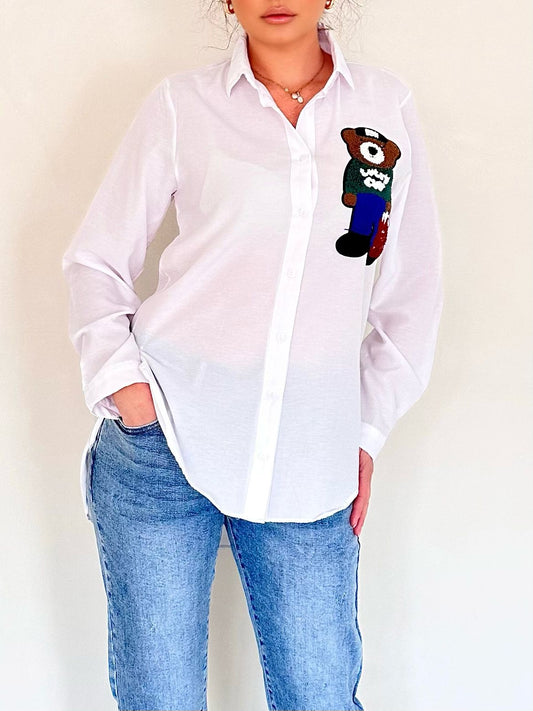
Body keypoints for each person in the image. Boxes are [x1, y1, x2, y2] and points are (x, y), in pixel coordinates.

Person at [61, 1, 443, 709]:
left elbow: (410, 294)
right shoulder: (181, 106)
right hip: (162, 443)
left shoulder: (384, 108)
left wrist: (364, 431)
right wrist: (128, 392)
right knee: (160, 697)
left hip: (310, 456)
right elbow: (95, 261)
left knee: (318, 694)